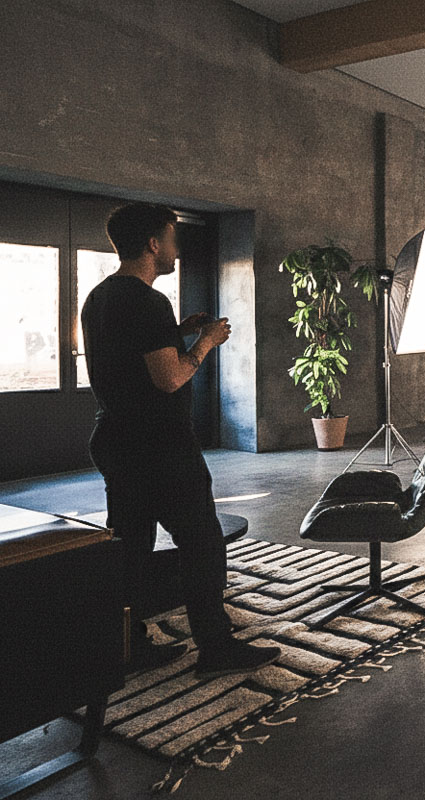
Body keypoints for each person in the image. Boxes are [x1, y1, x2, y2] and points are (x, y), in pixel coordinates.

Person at [82, 203, 280, 678]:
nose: (176, 248)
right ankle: (216, 649)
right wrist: (206, 340)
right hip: (161, 448)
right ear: (153, 244)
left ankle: (126, 645)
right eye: (171, 238)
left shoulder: (100, 297)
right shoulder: (149, 301)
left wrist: (177, 331)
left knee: (130, 547)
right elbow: (169, 378)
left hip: (116, 440)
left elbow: (127, 354)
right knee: (202, 544)